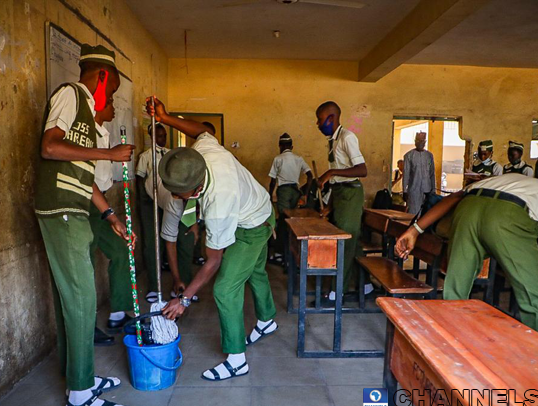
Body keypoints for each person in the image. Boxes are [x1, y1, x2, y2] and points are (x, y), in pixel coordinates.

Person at [35, 44, 134, 406]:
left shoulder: (89, 123)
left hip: (74, 208)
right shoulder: (71, 94)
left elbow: (85, 175)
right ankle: (80, 396)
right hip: (60, 209)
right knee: (83, 296)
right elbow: (49, 146)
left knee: (71, 297)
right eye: (111, 92)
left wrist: (110, 215)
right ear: (103, 78)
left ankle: (78, 376)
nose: (109, 100)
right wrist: (110, 155)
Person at [147, 96, 277, 381]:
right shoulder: (202, 152)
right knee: (254, 270)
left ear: (194, 191)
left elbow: (213, 260)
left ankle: (236, 359)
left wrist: (183, 299)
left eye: (179, 195)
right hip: (259, 207)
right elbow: (204, 132)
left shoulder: (219, 201)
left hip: (254, 224)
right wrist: (166, 117)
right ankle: (267, 320)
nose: (176, 199)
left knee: (226, 288)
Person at [395, 173, 538, 339]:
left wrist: (414, 230)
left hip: (469, 208)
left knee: (456, 290)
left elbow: (455, 197)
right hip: (506, 217)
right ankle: (535, 357)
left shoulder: (514, 179)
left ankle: (447, 346)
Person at [315, 101, 373, 300]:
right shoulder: (332, 140)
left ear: (331, 118)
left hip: (351, 194)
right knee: (353, 243)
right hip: (340, 193)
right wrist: (329, 207)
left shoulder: (347, 137)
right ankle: (365, 285)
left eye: (320, 119)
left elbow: (361, 170)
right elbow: (338, 180)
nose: (317, 123)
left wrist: (330, 172)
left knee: (345, 243)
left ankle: (339, 290)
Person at [90, 97, 134, 339]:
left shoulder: (104, 132)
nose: (114, 107)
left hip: (102, 203)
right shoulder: (87, 133)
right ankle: (85, 329)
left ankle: (117, 314)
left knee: (121, 250)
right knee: (83, 264)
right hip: (86, 204)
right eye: (109, 102)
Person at [135, 123, 170, 301]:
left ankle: (168, 271)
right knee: (151, 242)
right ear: (152, 137)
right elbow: (140, 180)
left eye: (164, 136)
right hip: (150, 202)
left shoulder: (171, 155)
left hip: (169, 201)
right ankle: (153, 286)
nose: (162, 139)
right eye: (159, 136)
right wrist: (145, 200)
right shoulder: (146, 156)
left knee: (168, 237)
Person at [268, 132, 313, 262]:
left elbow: (272, 181)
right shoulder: (298, 158)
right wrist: (305, 194)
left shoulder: (278, 159)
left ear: (280, 145)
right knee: (294, 222)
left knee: (283, 220)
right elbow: (310, 176)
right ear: (292, 146)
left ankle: (280, 253)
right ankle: (293, 252)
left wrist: (270, 196)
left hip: (283, 192)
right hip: (296, 191)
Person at [403, 132, 436, 216]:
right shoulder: (409, 155)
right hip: (414, 190)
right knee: (413, 214)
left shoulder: (429, 156)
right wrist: (404, 190)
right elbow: (406, 174)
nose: (420, 143)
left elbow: (432, 174)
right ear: (415, 142)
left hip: (427, 189)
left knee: (426, 214)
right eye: (418, 141)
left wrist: (433, 189)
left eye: (422, 141)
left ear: (425, 142)